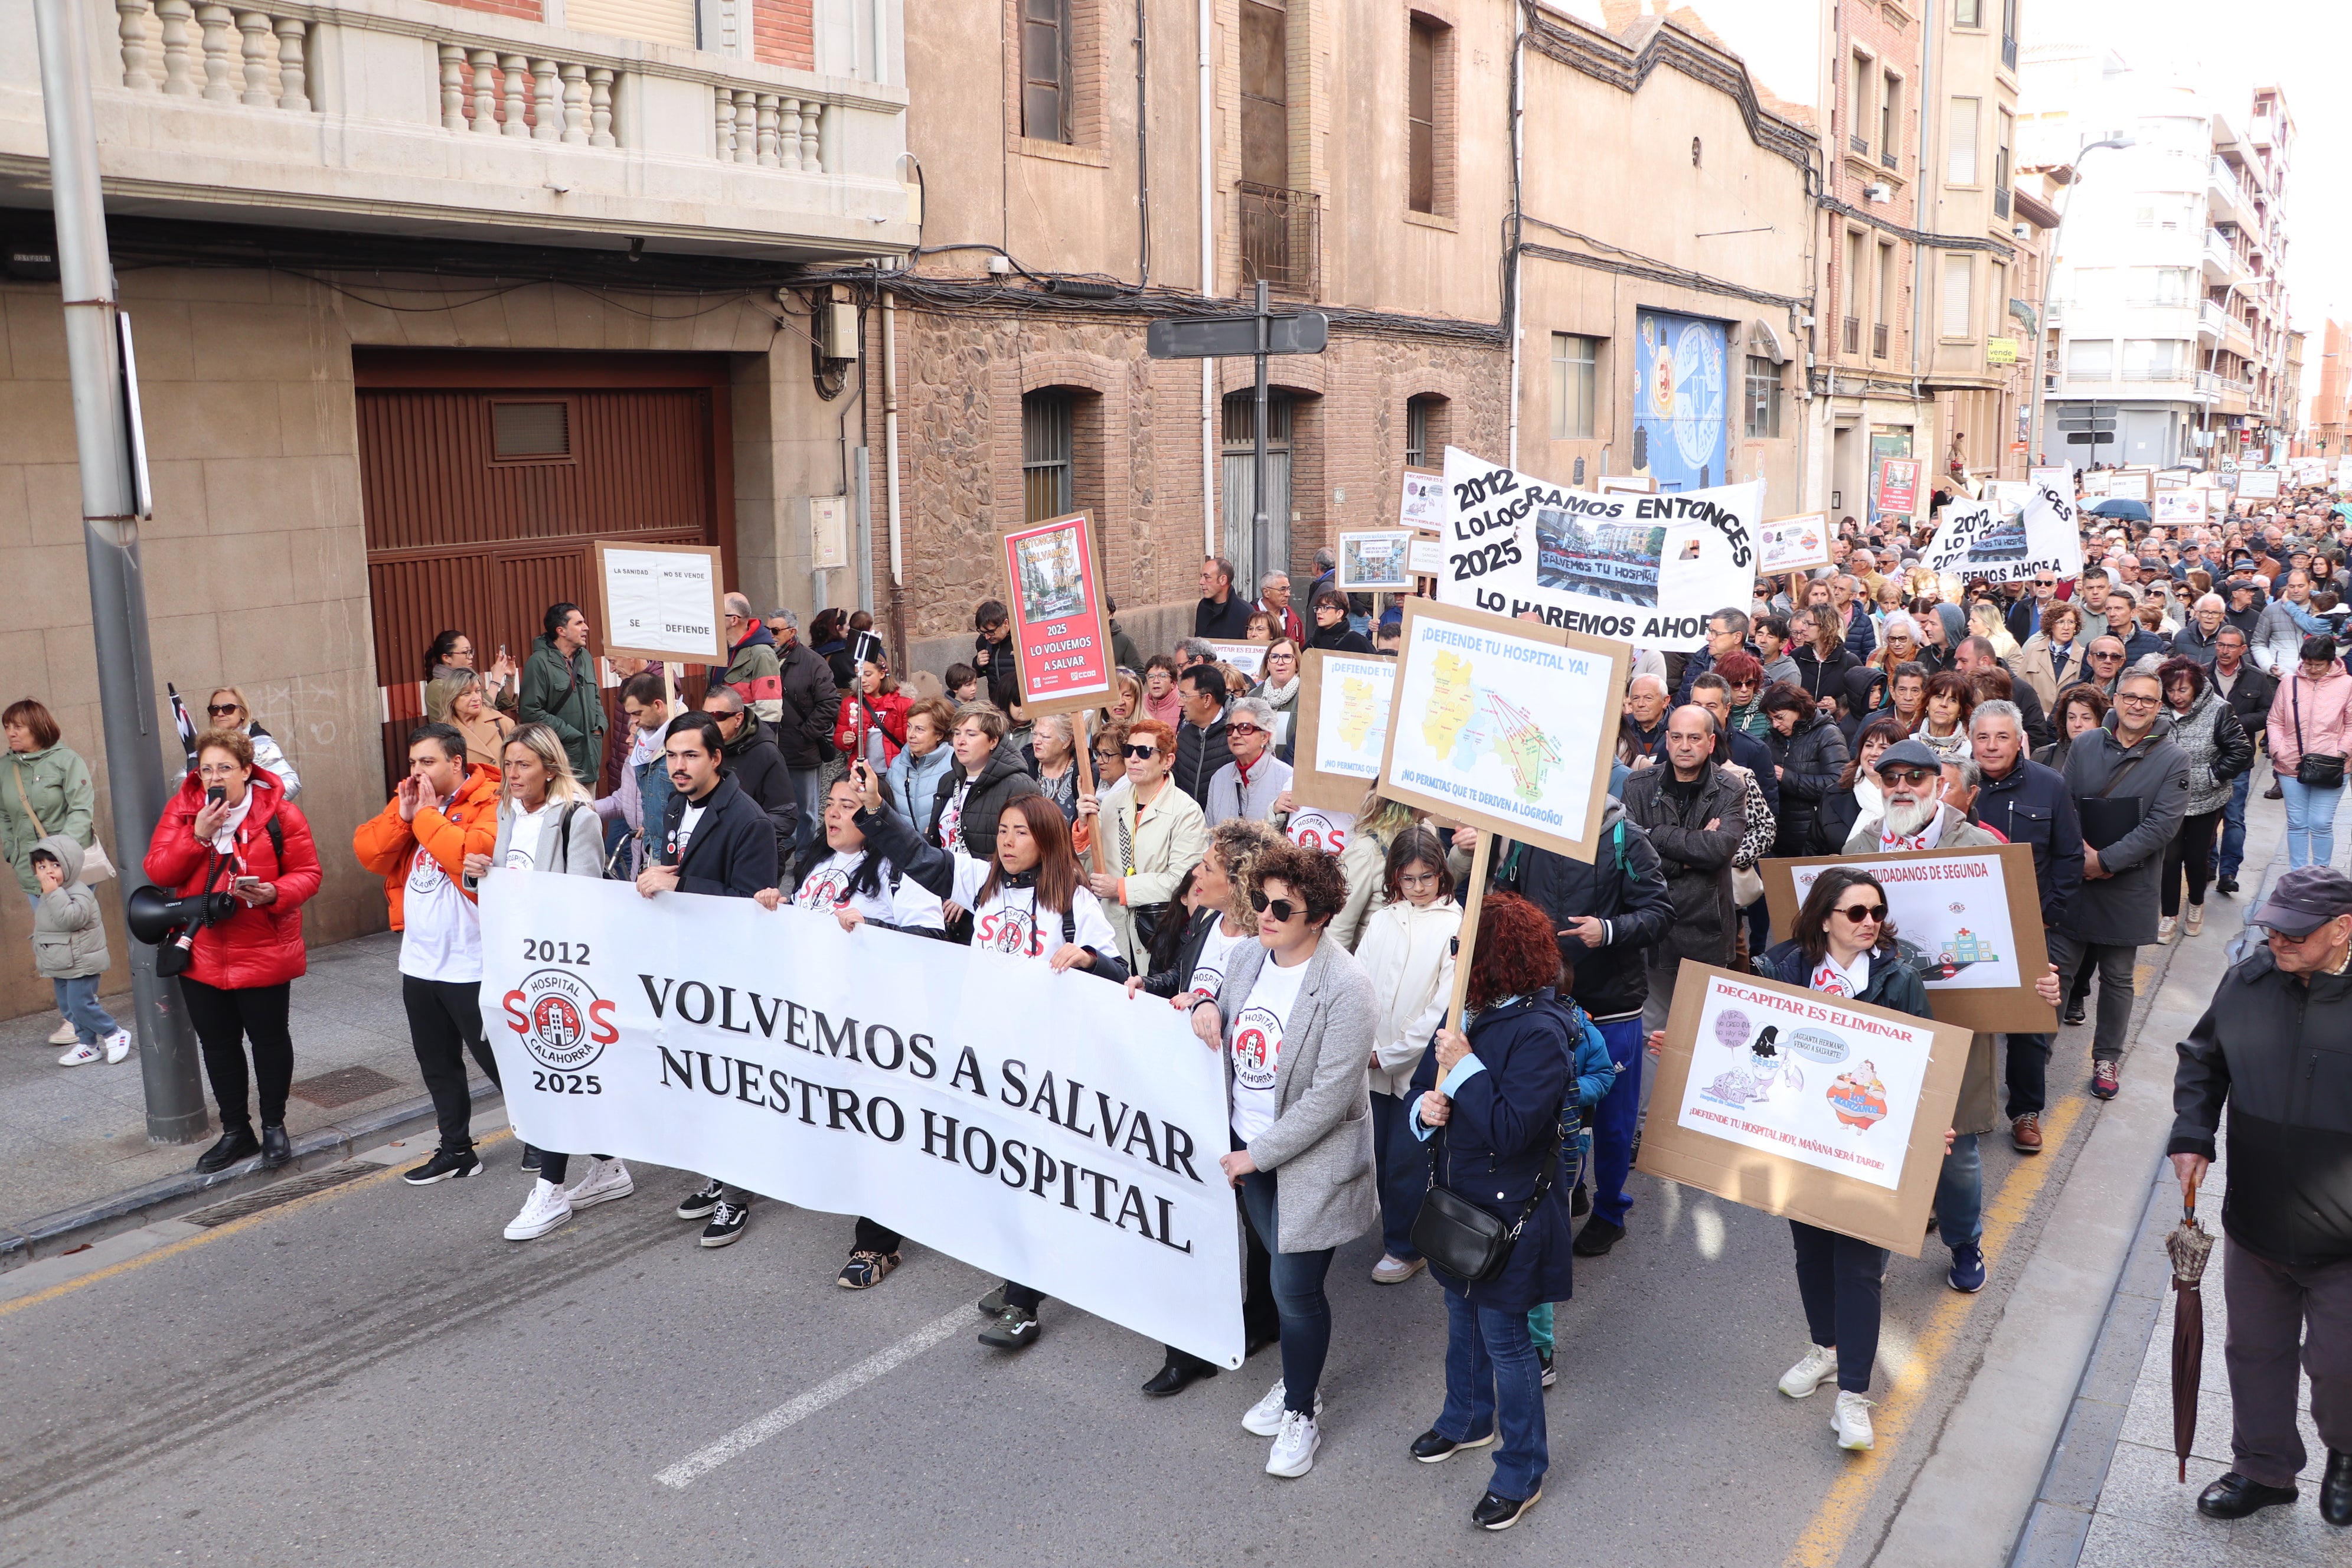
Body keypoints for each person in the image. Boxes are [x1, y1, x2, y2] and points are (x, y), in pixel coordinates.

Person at [860, 773, 1127, 1347]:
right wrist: (878, 813)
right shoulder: (982, 879)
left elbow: (1118, 973)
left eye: (1020, 833)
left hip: (1044, 1065)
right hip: (983, 1057)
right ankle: (1023, 1278)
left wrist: (1086, 959)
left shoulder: (1073, 901)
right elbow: (921, 859)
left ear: (1047, 839)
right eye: (1002, 831)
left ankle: (1025, 1302)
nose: (1006, 842)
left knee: (1029, 1177)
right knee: (1005, 1177)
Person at [1182, 838, 1376, 1477]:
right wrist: (1206, 1003)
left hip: (1304, 1160)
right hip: (1247, 1148)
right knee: (1274, 1272)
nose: (1263, 914)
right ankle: (1302, 1379)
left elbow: (1329, 1097)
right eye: (1261, 901)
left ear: (1317, 917)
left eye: (1281, 908)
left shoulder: (1347, 986)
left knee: (1295, 1288)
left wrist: (1257, 1156)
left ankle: (1302, 1410)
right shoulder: (1246, 956)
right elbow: (1211, 989)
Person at [2169, 865, 2352, 1527]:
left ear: (2342, 930)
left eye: (2295, 933)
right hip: (2257, 1218)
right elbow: (2203, 1059)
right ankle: (2264, 1467)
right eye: (2271, 925)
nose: (2277, 940)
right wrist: (2192, 1134)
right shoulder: (2249, 979)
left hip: (2345, 1235)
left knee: (2341, 1366)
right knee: (2254, 1352)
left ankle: (2348, 1450)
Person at [1406, 890, 1587, 1530]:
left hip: (1509, 1218)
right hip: (1463, 1206)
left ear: (1495, 959)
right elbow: (1432, 1097)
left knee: (1508, 1345)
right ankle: (1466, 1419)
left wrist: (1465, 1069)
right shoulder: (1471, 1012)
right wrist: (1425, 1113)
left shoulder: (1541, 1032)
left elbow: (1514, 1130)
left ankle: (1521, 1472)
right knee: (1461, 1319)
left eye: (1464, 949)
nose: (1454, 957)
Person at [1746, 871, 1933, 1450]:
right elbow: (1758, 1043)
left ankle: (1853, 1395)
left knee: (1857, 1265)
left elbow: (1927, 1061)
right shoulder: (1780, 968)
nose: (1870, 921)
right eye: (1856, 912)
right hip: (1800, 1141)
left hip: (1868, 1147)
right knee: (1811, 1251)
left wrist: (1931, 1130)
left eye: (1876, 911)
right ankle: (1824, 1349)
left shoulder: (1899, 978)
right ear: (1825, 917)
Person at [754, 773, 947, 1290]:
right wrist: (778, 908)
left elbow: (930, 937)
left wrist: (871, 929)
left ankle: (878, 1244)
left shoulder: (900, 869)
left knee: (877, 1132)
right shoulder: (816, 862)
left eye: (850, 805)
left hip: (874, 1027)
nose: (836, 814)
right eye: (833, 804)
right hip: (817, 1022)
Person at [1125, 819, 1285, 1394]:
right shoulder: (1211, 922)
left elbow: (1248, 1012)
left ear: (1240, 880)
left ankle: (1264, 1317)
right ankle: (1189, 1347)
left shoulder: (1266, 944)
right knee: (1192, 1219)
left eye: (1211, 866)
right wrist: (1146, 983)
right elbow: (1188, 981)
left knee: (1256, 1222)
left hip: (1238, 1107)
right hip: (1191, 1097)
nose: (1198, 871)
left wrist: (1209, 1003)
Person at [465, 724, 629, 1242]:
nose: (512, 775)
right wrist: (480, 875)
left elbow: (581, 900)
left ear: (550, 768)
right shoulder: (509, 813)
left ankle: (550, 1187)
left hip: (561, 969)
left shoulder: (575, 818)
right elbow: (507, 879)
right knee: (547, 1071)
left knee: (552, 1070)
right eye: (508, 765)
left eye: (523, 766)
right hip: (519, 961)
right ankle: (608, 1165)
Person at [143, 726, 319, 1170]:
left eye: (225, 767)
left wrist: (275, 893)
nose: (215, 777)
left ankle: (275, 1127)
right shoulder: (183, 810)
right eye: (206, 769)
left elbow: (309, 873)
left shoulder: (280, 815)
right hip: (200, 949)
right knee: (219, 1045)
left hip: (261, 946)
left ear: (246, 769)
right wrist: (197, 836)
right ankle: (237, 1132)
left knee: (269, 1040)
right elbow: (159, 870)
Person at [641, 712, 780, 1248]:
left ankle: (737, 1198)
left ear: (717, 759)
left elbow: (749, 908)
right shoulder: (677, 805)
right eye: (672, 755)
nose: (678, 766)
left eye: (690, 755)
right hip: (685, 970)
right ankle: (718, 1175)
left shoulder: (749, 823)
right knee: (700, 1085)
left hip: (728, 979)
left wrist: (676, 887)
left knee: (732, 1088)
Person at [351, 723, 506, 1185]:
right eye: (413, 762)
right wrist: (403, 815)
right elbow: (370, 854)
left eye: (428, 762)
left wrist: (422, 818)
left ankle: (544, 1137)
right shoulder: (412, 805)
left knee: (499, 1062)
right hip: (420, 963)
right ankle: (456, 1149)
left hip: (472, 962)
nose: (417, 772)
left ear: (456, 763)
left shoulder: (490, 799)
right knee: (437, 1065)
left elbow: (468, 852)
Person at [2056, 669, 2190, 1100]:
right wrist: (2082, 857)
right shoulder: (2086, 743)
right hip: (2077, 879)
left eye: (2148, 701)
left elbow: (2162, 826)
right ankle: (2034, 1049)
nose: (2137, 706)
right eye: (2129, 697)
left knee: (2118, 979)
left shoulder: (2174, 759)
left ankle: (2106, 1059)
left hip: (2128, 886)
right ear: (2114, 700)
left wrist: (2107, 861)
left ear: (2158, 707)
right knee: (2056, 975)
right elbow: (2066, 805)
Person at [1969, 701, 2083, 1154]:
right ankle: (1966, 1112)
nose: (1992, 746)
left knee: (2030, 1023)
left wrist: (2046, 916)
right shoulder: (1954, 784)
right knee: (1965, 1019)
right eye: (1983, 737)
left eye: (2002, 737)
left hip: (2032, 926)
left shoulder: (2050, 786)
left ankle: (2026, 1112)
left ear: (2020, 741)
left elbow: (2070, 858)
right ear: (1971, 739)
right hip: (1968, 928)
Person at [1354, 827, 1458, 1285]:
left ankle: (1406, 1245)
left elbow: (1442, 1008)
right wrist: (1361, 1045)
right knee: (1375, 1151)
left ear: (1442, 874)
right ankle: (1393, 1227)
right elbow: (1357, 982)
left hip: (1418, 1067)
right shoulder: (1383, 919)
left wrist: (1390, 1055)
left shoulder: (1456, 926)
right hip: (1370, 1060)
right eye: (1408, 878)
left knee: (1408, 1158)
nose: (1417, 887)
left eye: (1427, 878)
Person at [1622, 707, 1745, 1038]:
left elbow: (1719, 850)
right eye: (1677, 737)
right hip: (1651, 932)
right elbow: (1629, 858)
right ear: (1667, 740)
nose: (1685, 745)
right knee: (1652, 1037)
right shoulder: (1637, 785)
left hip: (1706, 934)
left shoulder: (1731, 788)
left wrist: (1655, 835)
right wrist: (1691, 856)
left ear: (1710, 742)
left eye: (1694, 738)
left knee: (1699, 1037)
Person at [1, 699, 101, 1049]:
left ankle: (85, 1016)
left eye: (18, 726)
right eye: (7, 726)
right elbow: (4, 814)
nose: (11, 733)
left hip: (71, 871)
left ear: (38, 727)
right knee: (54, 946)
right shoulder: (5, 768)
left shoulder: (66, 761)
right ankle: (74, 1020)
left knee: (78, 944)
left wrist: (59, 859)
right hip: (33, 874)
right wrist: (12, 851)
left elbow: (81, 810)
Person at [1079, 716, 1207, 972]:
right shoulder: (1111, 803)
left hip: (1159, 932)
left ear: (1167, 761)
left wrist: (1121, 888)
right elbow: (1091, 870)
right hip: (1112, 930)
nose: (1133, 759)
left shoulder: (1187, 811)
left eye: (1145, 752)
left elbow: (1183, 881)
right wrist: (1083, 828)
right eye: (1129, 751)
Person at [2156, 658, 2252, 940]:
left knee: (2197, 858)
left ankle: (2196, 904)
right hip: (2167, 802)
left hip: (2205, 800)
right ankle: (2169, 914)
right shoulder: (2157, 709)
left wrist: (2211, 776)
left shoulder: (2219, 710)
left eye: (2183, 690)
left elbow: (2241, 752)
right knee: (2169, 859)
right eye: (2171, 691)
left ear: (2196, 688)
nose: (2177, 697)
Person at [32, 834, 129, 1067]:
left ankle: (114, 1033)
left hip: (82, 962)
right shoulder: (48, 894)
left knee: (81, 1004)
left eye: (56, 865)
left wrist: (54, 893)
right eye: (42, 866)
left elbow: (71, 920)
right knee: (68, 1007)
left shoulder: (78, 892)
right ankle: (88, 1045)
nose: (49, 872)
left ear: (70, 865)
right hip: (63, 961)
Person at [925, 705, 1043, 874]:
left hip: (991, 892)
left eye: (971, 734)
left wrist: (978, 892)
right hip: (947, 886)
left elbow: (1028, 854)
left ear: (993, 741)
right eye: (957, 733)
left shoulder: (1020, 786)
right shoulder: (948, 781)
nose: (961, 741)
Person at [2269, 634, 2352, 871]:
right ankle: (2298, 876)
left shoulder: (2347, 685)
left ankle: (2320, 875)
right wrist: (2278, 749)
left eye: (2319, 665)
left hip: (2332, 764)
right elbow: (2274, 720)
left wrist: (2342, 752)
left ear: (2330, 662)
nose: (2313, 669)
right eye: (2308, 664)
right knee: (2296, 823)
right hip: (2291, 764)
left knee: (2321, 822)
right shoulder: (2289, 683)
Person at [767, 606, 842, 853]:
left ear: (792, 632)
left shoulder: (812, 662)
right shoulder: (764, 660)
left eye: (776, 630)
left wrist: (806, 733)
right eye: (768, 630)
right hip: (771, 748)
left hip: (802, 749)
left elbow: (830, 703)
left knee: (806, 809)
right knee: (776, 804)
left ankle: (804, 856)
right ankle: (782, 849)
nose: (771, 635)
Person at [703, 687, 801, 870]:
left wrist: (741, 835)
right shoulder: (703, 750)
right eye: (706, 717)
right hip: (712, 857)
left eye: (717, 716)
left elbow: (786, 815)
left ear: (738, 719)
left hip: (754, 859)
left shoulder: (766, 754)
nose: (709, 724)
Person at [2209, 626, 2275, 894]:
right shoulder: (2201, 674)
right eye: (2221, 645)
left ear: (2243, 649)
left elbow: (2268, 712)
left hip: (2239, 760)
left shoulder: (2256, 678)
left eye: (2231, 646)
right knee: (2207, 817)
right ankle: (2207, 865)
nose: (2225, 651)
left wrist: (2234, 722)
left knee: (2234, 818)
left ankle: (2228, 873)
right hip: (2206, 759)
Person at [518, 602, 607, 788]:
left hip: (590, 759)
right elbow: (530, 712)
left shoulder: (586, 657)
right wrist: (570, 734)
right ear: (561, 631)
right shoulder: (539, 663)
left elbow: (596, 697)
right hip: (560, 763)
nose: (586, 628)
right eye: (579, 623)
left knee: (587, 814)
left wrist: (600, 726)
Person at [594, 671, 674, 880]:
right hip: (643, 854)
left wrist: (653, 823)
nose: (634, 722)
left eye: (637, 713)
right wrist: (588, 807)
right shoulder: (636, 755)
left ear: (658, 706)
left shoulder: (679, 748)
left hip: (670, 856)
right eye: (630, 715)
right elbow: (624, 799)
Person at [1760, 682, 1850, 858]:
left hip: (1811, 835)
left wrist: (1787, 778)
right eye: (1771, 719)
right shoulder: (1773, 739)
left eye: (1780, 717)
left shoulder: (1827, 734)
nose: (1776, 724)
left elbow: (1839, 783)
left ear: (1799, 708)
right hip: (1779, 836)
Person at [1206, 696, 1291, 827]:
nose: (1235, 735)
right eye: (1230, 728)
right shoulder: (1219, 778)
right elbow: (1210, 836)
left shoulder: (1289, 780)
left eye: (1245, 728)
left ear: (1265, 737)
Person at [884, 695, 959, 841]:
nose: (911, 735)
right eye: (909, 726)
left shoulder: (955, 764)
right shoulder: (897, 764)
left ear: (939, 735)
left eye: (920, 729)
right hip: (905, 849)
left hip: (941, 851)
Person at [201, 688, 300, 797]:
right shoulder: (207, 746)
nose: (220, 713)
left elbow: (291, 782)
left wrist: (255, 804)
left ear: (243, 712)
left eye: (228, 708)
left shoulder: (261, 744)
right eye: (214, 709)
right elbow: (182, 779)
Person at [707, 593, 785, 724]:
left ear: (734, 620)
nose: (713, 618)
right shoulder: (719, 651)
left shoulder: (761, 654)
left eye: (718, 614)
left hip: (746, 740)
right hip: (719, 735)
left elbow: (769, 713)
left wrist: (752, 742)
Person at [832, 648, 911, 771]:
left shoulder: (903, 703)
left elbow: (911, 739)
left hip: (895, 770)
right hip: (862, 771)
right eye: (858, 675)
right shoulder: (850, 703)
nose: (862, 680)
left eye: (868, 674)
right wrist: (844, 739)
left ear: (882, 674)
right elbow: (838, 738)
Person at [1172, 664, 1235, 806]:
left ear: (1207, 699)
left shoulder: (1236, 737)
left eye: (1185, 696)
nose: (1179, 703)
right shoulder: (1184, 737)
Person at [430, 671, 515, 770]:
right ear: (452, 698)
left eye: (478, 691)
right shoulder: (442, 734)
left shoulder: (502, 723)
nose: (476, 698)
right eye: (467, 694)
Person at [1026, 713, 1084, 821]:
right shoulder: (1024, 765)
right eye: (1035, 734)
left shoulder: (1084, 772)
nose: (1036, 741)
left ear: (1066, 741)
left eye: (1045, 737)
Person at [1253, 637, 1303, 757]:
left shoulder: (1307, 696)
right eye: (1274, 657)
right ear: (1268, 664)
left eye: (1287, 657)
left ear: (1297, 664)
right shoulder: (1253, 697)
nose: (1280, 662)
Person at [1912, 671, 1975, 763]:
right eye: (1939, 697)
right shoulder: (1910, 743)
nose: (1944, 704)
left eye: (1953, 700)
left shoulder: (1969, 752)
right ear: (1927, 704)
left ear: (1960, 711)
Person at [1196, 556, 1256, 640]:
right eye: (1201, 576)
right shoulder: (1203, 606)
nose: (1201, 582)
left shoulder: (1245, 612)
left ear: (1223, 580)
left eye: (1207, 577)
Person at [1307, 587, 1374, 654]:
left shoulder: (1358, 642)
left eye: (1325, 607)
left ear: (1339, 613)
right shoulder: (1313, 642)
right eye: (1318, 608)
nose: (1319, 612)